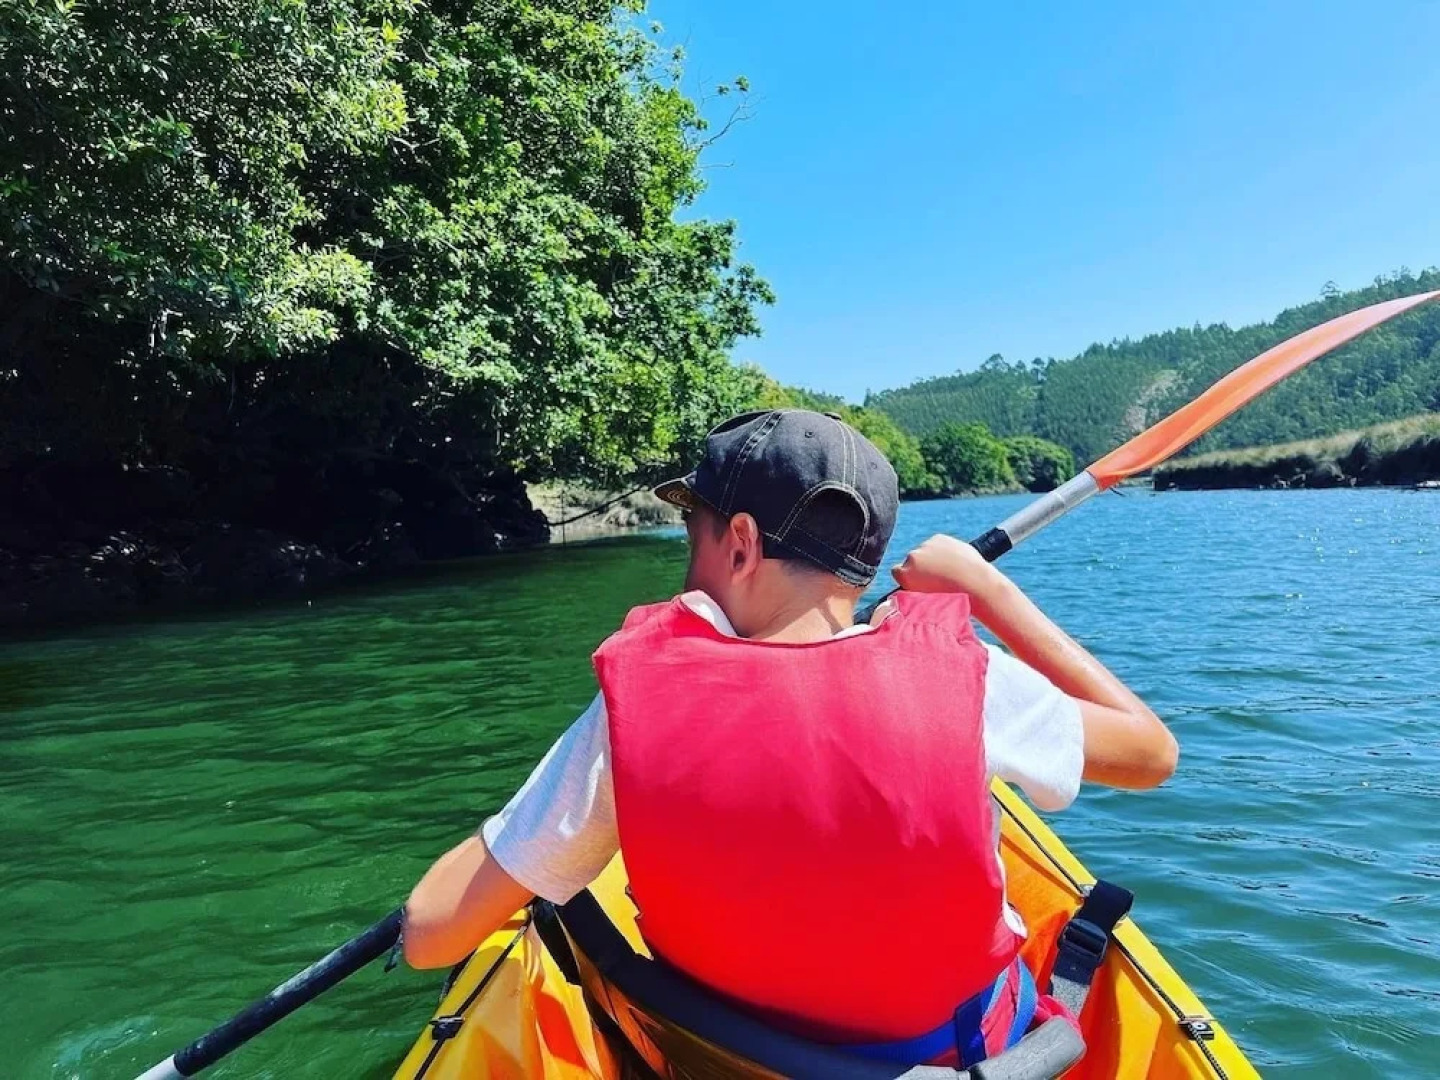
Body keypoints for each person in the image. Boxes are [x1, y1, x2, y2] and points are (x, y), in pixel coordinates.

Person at [403, 408, 1177, 1069]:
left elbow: (431, 935)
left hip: (726, 1065)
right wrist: (986, 589)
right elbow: (1152, 752)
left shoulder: (627, 713)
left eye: (691, 537)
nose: (688, 564)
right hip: (960, 1066)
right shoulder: (973, 684)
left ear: (739, 543)